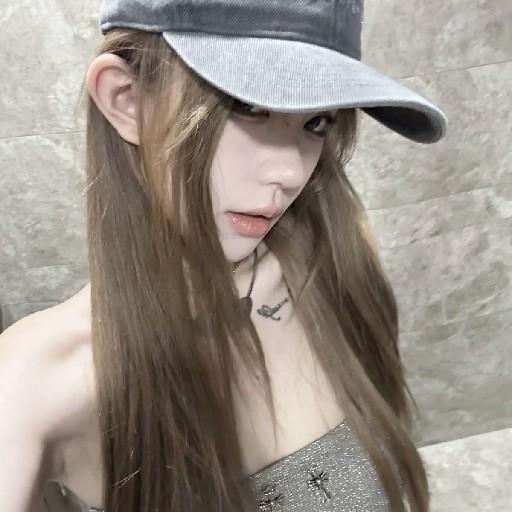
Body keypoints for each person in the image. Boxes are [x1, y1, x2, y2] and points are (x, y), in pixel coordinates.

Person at [0, 1, 448, 511]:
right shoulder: (37, 381)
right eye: (248, 105)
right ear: (127, 99)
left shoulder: (332, 261)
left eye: (318, 121)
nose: (290, 172)